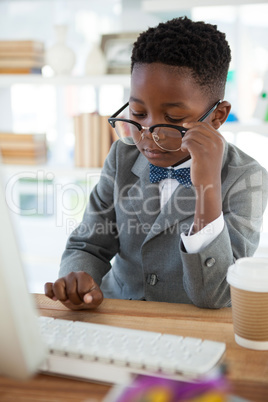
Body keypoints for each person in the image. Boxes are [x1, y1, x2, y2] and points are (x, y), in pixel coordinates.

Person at [45, 16, 268, 310]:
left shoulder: (247, 179)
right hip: (119, 313)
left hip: (192, 326)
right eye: (138, 113)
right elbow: (88, 244)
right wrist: (80, 280)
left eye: (173, 119)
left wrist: (208, 188)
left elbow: (216, 295)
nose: (148, 136)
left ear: (217, 116)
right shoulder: (122, 157)